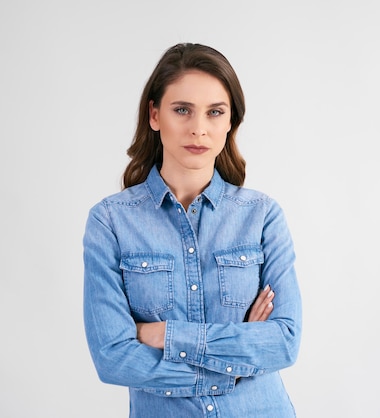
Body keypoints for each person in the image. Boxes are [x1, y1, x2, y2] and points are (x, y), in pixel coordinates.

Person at [83, 42, 302, 417]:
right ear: (154, 114)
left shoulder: (262, 216)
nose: (198, 129)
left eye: (215, 112)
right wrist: (234, 367)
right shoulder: (111, 222)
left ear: (230, 121)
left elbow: (283, 342)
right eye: (182, 110)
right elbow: (113, 357)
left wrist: (163, 334)